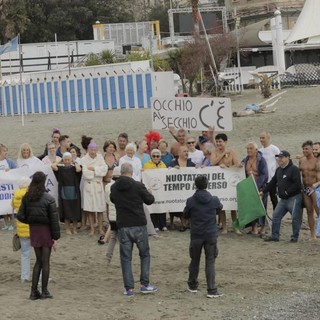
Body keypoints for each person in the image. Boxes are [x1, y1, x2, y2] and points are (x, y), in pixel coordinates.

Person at [110, 163, 157, 296]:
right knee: (144, 254)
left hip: (123, 225)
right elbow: (149, 201)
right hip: (138, 224)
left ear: (121, 172)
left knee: (126, 258)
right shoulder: (138, 185)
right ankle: (144, 284)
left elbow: (112, 199)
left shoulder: (114, 187)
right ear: (131, 172)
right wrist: (149, 193)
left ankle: (129, 288)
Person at [17, 171, 60, 300]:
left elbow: (20, 215)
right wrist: (55, 237)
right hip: (45, 230)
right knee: (45, 262)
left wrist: (30, 221)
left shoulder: (27, 197)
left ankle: (33, 291)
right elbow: (54, 220)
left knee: (38, 261)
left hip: (34, 230)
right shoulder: (49, 199)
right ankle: (44, 290)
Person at [183, 175, 223, 298]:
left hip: (196, 234)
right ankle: (211, 289)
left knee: (195, 260)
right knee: (210, 261)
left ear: (196, 185)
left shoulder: (191, 200)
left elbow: (185, 214)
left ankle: (192, 284)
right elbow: (219, 209)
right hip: (210, 234)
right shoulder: (214, 199)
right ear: (207, 185)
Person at [263, 151, 302, 242]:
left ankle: (294, 237)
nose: (279, 159)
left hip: (294, 198)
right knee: (276, 215)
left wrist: (287, 192)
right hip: (283, 199)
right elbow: (272, 182)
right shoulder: (278, 170)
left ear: (288, 158)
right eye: (278, 157)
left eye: (281, 157)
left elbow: (297, 184)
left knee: (295, 218)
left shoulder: (294, 169)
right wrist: (263, 191)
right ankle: (274, 236)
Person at [210, 133, 241, 234]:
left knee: (233, 206)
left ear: (225, 142)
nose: (218, 143)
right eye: (217, 141)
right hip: (220, 183)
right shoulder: (214, 151)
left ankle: (236, 227)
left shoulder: (232, 151)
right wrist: (222, 155)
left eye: (220, 141)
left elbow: (237, 164)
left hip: (230, 181)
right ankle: (224, 227)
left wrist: (229, 167)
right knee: (221, 207)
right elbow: (212, 162)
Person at [81, 142, 108, 236]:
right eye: (91, 150)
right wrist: (97, 172)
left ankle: (100, 228)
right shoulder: (84, 159)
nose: (93, 151)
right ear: (88, 150)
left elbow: (104, 170)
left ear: (97, 150)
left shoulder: (100, 157)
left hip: (98, 185)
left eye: (94, 150)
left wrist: (94, 169)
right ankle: (92, 229)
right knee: (90, 209)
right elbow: (85, 173)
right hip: (88, 185)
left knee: (100, 209)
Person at [52, 152, 82, 235]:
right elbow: (53, 166)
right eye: (65, 159)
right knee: (66, 211)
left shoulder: (74, 168)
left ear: (71, 160)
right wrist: (60, 160)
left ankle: (75, 229)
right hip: (64, 193)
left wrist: (74, 162)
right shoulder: (60, 169)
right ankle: (68, 229)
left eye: (68, 159)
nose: (67, 161)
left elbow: (79, 169)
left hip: (74, 193)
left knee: (75, 211)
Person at [241, 142, 268, 235]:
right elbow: (240, 170)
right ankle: (253, 227)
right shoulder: (245, 160)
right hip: (249, 187)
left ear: (256, 150)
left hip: (260, 186)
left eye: (251, 148)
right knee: (251, 207)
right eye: (247, 148)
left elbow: (265, 175)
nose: (248, 150)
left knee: (261, 207)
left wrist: (257, 186)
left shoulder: (261, 160)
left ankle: (263, 227)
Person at [169, 145, 196, 231]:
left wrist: (200, 168)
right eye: (184, 151)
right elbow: (166, 172)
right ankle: (183, 223)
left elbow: (197, 172)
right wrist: (172, 169)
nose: (186, 153)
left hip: (188, 190)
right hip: (176, 191)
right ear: (179, 153)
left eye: (187, 151)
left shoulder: (191, 164)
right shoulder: (173, 163)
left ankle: (188, 222)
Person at [98, 166, 121, 265]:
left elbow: (107, 201)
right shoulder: (122, 186)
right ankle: (123, 258)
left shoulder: (108, 186)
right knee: (123, 239)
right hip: (121, 215)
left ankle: (108, 257)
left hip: (112, 216)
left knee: (113, 237)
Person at [12, 176, 32, 283]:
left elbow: (13, 206)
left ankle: (24, 277)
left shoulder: (15, 195)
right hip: (33, 227)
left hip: (21, 227)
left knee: (25, 253)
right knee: (39, 254)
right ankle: (40, 276)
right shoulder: (31, 196)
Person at [299, 140, 319, 240]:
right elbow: (300, 174)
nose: (304, 151)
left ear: (311, 149)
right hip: (305, 188)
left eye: (306, 149)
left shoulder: (317, 160)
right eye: (303, 149)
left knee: (318, 210)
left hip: (315, 188)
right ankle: (312, 235)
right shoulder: (302, 160)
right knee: (309, 211)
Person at [144, 149, 167, 232]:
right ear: (151, 156)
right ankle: (155, 225)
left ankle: (163, 224)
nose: (156, 157)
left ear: (160, 157)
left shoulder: (163, 165)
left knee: (161, 205)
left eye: (158, 156)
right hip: (152, 189)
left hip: (160, 189)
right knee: (153, 206)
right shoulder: (147, 165)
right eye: (154, 156)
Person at [259, 131, 280, 211]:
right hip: (263, 179)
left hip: (272, 179)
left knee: (274, 199)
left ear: (268, 138)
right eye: (260, 138)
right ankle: (262, 220)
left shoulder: (274, 149)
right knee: (263, 200)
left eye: (263, 138)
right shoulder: (260, 151)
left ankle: (276, 217)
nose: (261, 140)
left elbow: (280, 162)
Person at [0, 143, 16, 230]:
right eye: (4, 151)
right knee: (3, 205)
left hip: (9, 187)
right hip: (1, 189)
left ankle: (11, 224)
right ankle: (6, 224)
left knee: (10, 205)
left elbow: (16, 170)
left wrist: (10, 170)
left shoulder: (9, 161)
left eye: (7, 150)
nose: (6, 152)